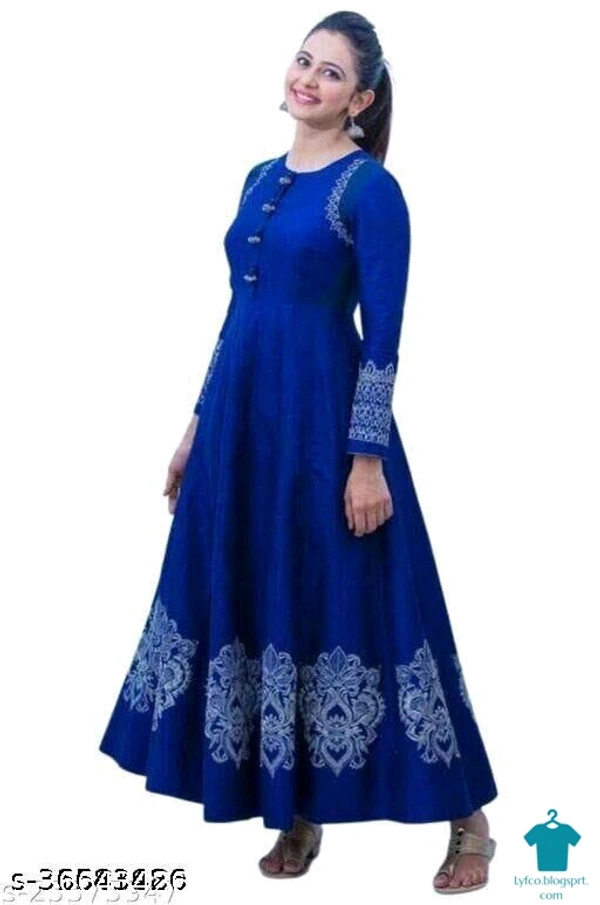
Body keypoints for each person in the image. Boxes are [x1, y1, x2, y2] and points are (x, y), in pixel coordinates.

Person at [99, 10, 498, 893]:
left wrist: (367, 458)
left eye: (332, 73)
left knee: (369, 600)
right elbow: (237, 313)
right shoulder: (259, 177)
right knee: (263, 594)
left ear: (361, 99)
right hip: (242, 424)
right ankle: (296, 807)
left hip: (323, 422)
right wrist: (195, 428)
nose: (308, 79)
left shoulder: (370, 191)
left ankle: (469, 818)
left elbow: (383, 334)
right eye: (304, 60)